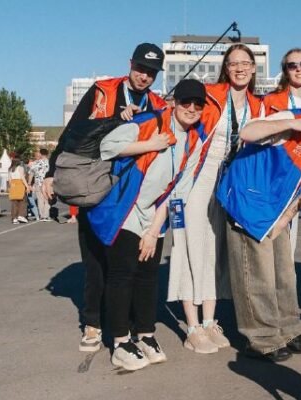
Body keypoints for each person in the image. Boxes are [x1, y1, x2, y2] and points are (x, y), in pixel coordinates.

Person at [42, 43, 167, 352]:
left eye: (151, 73)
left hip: (130, 193)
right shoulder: (102, 90)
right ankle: (93, 322)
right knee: (95, 260)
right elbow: (74, 132)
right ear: (130, 64)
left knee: (126, 263)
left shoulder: (157, 103)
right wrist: (50, 172)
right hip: (93, 183)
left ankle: (127, 325)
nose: (144, 76)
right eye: (141, 69)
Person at [217, 82, 301, 362]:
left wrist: (284, 221)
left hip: (276, 211)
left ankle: (287, 328)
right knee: (256, 275)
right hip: (248, 201)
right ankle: (261, 338)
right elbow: (248, 132)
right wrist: (290, 124)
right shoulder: (292, 118)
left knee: (284, 273)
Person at [86, 79, 208, 370]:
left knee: (148, 275)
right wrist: (150, 145)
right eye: (186, 102)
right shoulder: (150, 122)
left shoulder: (195, 140)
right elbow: (107, 146)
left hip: (155, 212)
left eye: (198, 104)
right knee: (122, 273)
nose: (192, 108)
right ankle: (120, 341)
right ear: (173, 103)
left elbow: (177, 191)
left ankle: (146, 334)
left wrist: (154, 231)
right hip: (125, 206)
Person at [167, 43, 263, 354]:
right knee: (188, 246)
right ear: (226, 68)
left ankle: (209, 321)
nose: (240, 68)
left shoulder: (257, 105)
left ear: (253, 68)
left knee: (215, 250)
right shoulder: (210, 95)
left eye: (245, 63)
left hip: (230, 181)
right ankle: (192, 326)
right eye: (233, 63)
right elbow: (174, 108)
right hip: (199, 175)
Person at [262, 48, 301, 258]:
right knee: (274, 235)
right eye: (292, 66)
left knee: (295, 240)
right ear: (285, 71)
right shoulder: (271, 101)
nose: (299, 69)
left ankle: (288, 275)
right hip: (277, 174)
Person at [28, 149, 52, 221]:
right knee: (48, 199)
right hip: (48, 184)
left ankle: (42, 216)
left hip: (38, 183)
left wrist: (29, 184)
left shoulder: (35, 163)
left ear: (40, 154)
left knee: (40, 200)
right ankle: (46, 215)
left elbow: (31, 174)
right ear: (47, 154)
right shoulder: (50, 163)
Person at [8, 158, 30, 224]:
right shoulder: (20, 168)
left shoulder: (10, 169)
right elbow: (22, 177)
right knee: (23, 201)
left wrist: (11, 187)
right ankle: (21, 215)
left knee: (14, 202)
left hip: (13, 185)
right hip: (20, 184)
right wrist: (27, 186)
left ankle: (14, 218)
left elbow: (9, 179)